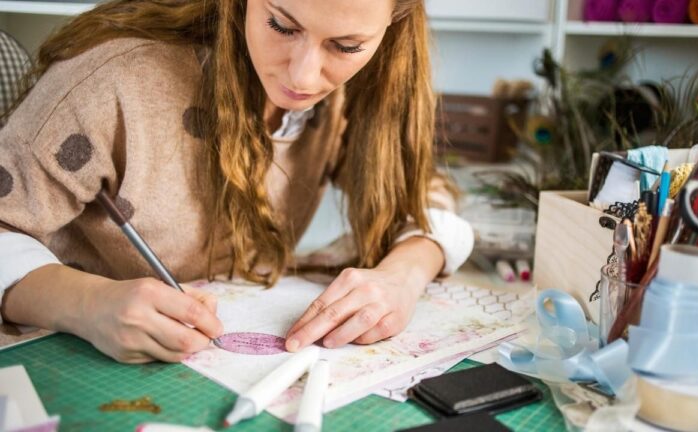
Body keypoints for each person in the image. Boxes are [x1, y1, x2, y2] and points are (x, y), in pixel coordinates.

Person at [0, 0, 473, 363]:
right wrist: (84, 303)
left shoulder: (349, 98)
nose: (304, 75)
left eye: (346, 46)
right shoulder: (114, 78)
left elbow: (426, 197)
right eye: (282, 26)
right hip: (62, 365)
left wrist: (403, 276)